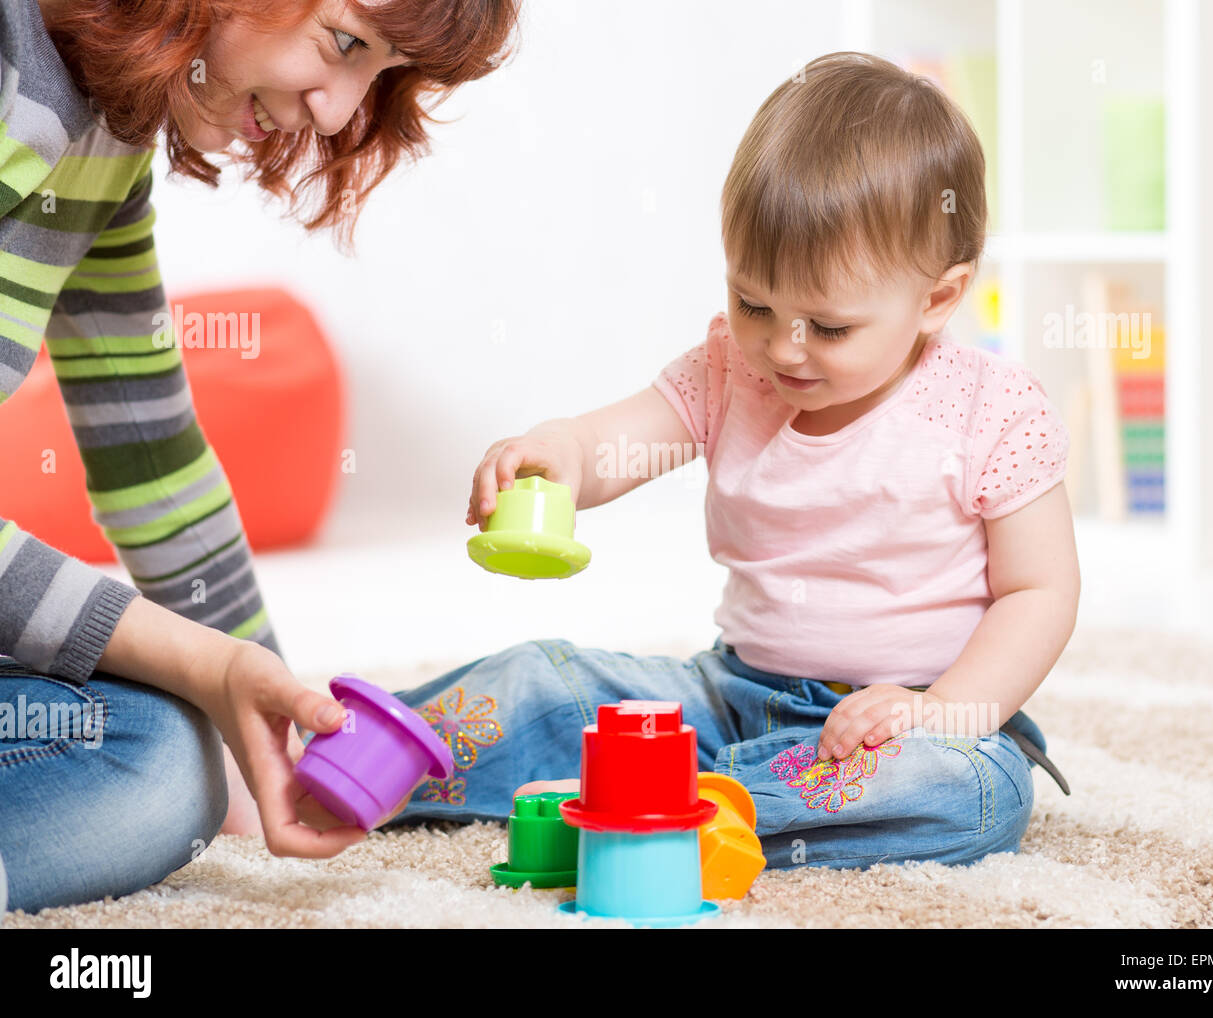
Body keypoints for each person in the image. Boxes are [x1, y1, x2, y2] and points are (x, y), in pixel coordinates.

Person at [380, 52, 1081, 872]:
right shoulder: (732, 371)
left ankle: (668, 805)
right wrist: (562, 452)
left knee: (972, 796)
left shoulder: (990, 408)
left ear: (937, 298)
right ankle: (350, 757)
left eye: (829, 327)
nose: (784, 349)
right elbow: (624, 439)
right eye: (753, 303)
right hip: (730, 696)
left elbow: (1041, 590)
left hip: (913, 717)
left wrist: (948, 713)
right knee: (544, 682)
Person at [0, 0, 519, 913]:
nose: (336, 112)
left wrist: (258, 710)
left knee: (167, 761)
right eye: (347, 42)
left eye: (379, 72)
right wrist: (202, 664)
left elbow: (149, 453)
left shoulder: (104, 143)